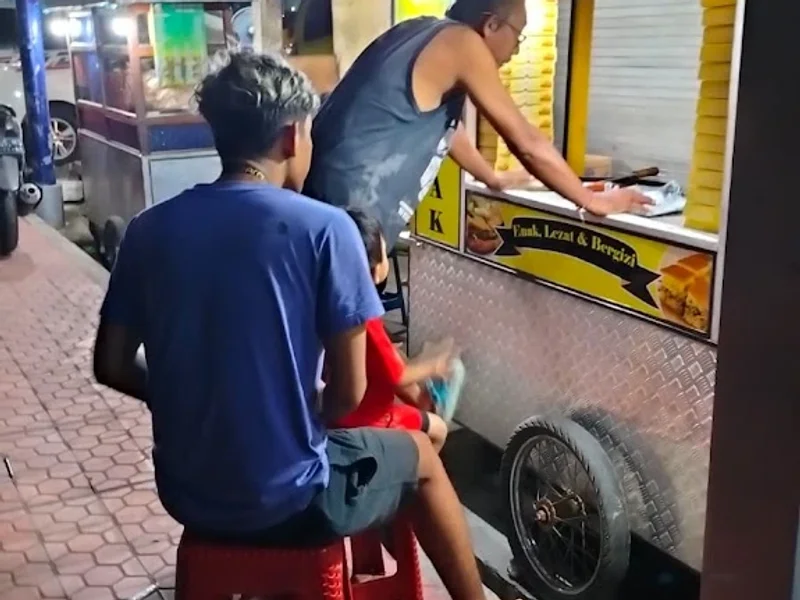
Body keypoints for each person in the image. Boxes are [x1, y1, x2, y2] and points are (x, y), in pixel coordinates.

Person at [92, 51, 490, 600]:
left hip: (188, 493)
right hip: (291, 501)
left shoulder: (148, 229)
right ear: (291, 134)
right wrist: (295, 414)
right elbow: (348, 394)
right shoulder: (327, 230)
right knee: (421, 459)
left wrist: (193, 398)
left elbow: (109, 365)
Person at [304, 0, 652, 250]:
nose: (517, 49)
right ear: (491, 25)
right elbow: (527, 142)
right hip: (350, 213)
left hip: (322, 200)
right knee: (338, 339)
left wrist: (492, 177)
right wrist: (592, 202)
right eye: (519, 35)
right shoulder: (462, 43)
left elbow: (443, 127)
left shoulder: (419, 31)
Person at [331, 208, 461, 452]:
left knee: (398, 357)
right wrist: (435, 365)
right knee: (438, 429)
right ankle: (407, 476)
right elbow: (397, 376)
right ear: (373, 268)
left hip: (334, 407)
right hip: (366, 418)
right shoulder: (364, 316)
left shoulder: (330, 300)